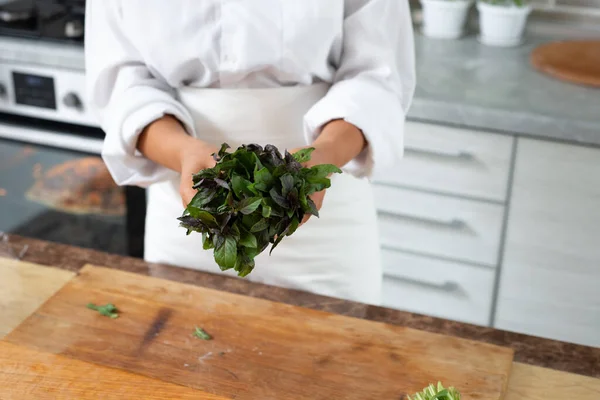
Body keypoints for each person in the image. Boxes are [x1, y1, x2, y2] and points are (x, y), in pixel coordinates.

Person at [85, 1, 415, 305]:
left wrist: (324, 153)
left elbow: (376, 74)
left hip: (322, 200)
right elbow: (122, 82)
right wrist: (183, 151)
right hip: (195, 200)